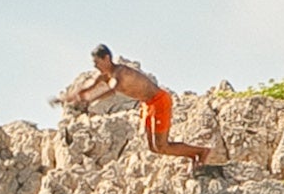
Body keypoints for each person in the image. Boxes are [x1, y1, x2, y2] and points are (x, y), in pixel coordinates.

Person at [53, 44, 213, 167]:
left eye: (97, 62)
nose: (95, 66)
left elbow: (111, 90)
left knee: (162, 145)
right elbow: (87, 86)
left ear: (106, 58)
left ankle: (201, 152)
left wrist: (88, 100)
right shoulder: (104, 74)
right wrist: (65, 98)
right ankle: (193, 155)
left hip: (159, 101)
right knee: (154, 148)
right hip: (147, 104)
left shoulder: (120, 74)